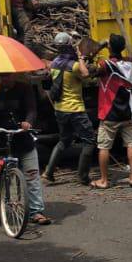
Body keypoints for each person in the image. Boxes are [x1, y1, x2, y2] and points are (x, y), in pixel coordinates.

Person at [0, 75, 51, 225]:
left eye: (9, 75)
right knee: (2, 176)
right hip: (1, 141)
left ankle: (36, 211)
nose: (7, 78)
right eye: (3, 75)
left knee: (32, 176)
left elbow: (32, 110)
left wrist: (28, 122)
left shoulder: (24, 89)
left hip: (23, 138)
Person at [42, 33, 97, 186]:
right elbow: (86, 74)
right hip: (75, 109)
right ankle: (83, 176)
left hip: (60, 109)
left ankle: (48, 173)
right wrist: (80, 57)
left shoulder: (54, 64)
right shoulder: (73, 66)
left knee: (64, 140)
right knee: (89, 141)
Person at [92, 33, 132, 189]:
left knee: (104, 147)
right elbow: (125, 57)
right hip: (128, 111)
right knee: (131, 144)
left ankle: (104, 180)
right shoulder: (130, 63)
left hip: (109, 112)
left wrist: (100, 46)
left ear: (109, 47)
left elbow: (88, 70)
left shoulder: (105, 65)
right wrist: (111, 45)